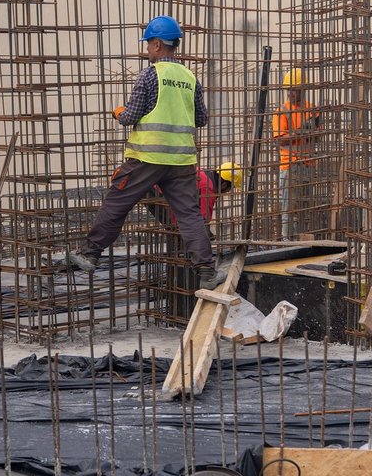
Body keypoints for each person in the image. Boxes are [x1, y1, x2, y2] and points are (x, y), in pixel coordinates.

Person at [67, 16, 224, 289]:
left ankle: (89, 254)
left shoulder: (151, 75)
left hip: (147, 158)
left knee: (117, 203)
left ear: (157, 44)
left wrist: (118, 113)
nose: (148, 49)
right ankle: (207, 270)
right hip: (181, 160)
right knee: (189, 215)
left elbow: (131, 117)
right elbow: (201, 119)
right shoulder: (190, 78)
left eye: (149, 44)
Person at [273, 68, 320, 240]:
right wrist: (301, 132)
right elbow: (281, 140)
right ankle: (287, 240)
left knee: (305, 205)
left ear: (303, 89)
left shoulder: (312, 109)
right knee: (288, 206)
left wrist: (310, 131)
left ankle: (303, 238)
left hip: (308, 163)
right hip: (289, 165)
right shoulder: (282, 111)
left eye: (294, 89)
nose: (290, 93)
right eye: (288, 89)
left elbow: (317, 136)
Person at [148, 162, 243, 229]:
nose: (226, 192)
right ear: (224, 185)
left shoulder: (205, 174)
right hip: (158, 193)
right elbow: (204, 219)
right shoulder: (208, 188)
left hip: (156, 186)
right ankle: (179, 250)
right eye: (230, 188)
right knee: (178, 228)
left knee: (183, 225)